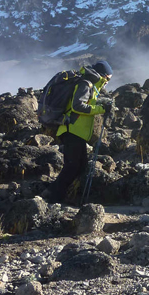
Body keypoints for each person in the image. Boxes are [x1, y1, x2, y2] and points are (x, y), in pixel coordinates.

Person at [46, 62, 113, 203]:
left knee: (79, 166)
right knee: (73, 166)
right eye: (108, 77)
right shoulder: (86, 84)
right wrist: (101, 109)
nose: (108, 81)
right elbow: (78, 106)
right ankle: (54, 199)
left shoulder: (91, 86)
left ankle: (53, 193)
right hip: (72, 130)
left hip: (76, 132)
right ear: (103, 75)